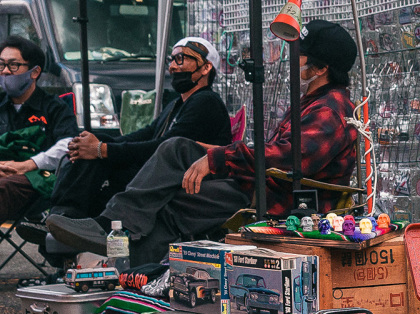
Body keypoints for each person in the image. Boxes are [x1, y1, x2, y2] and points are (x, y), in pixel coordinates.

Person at [48, 19, 360, 265]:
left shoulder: (329, 110)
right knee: (176, 148)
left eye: (298, 55)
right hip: (261, 183)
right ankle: (110, 234)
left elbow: (291, 158)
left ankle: (127, 268)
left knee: (175, 203)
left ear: (320, 69)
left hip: (281, 199)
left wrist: (218, 157)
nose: (290, 60)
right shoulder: (312, 101)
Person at [46, 37, 233, 222]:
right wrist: (95, 144)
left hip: (180, 178)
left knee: (98, 158)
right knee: (94, 146)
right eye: (171, 60)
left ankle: (64, 218)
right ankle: (62, 219)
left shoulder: (206, 102)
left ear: (206, 67)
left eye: (180, 59)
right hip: (158, 172)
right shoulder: (178, 104)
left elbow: (165, 149)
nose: (173, 67)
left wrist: (102, 150)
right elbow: (146, 133)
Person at [0, 36, 77, 221]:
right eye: (1, 65)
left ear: (34, 72)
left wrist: (29, 164)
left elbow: (69, 144)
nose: (5, 72)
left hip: (37, 179)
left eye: (13, 65)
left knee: (4, 187)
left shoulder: (54, 107)